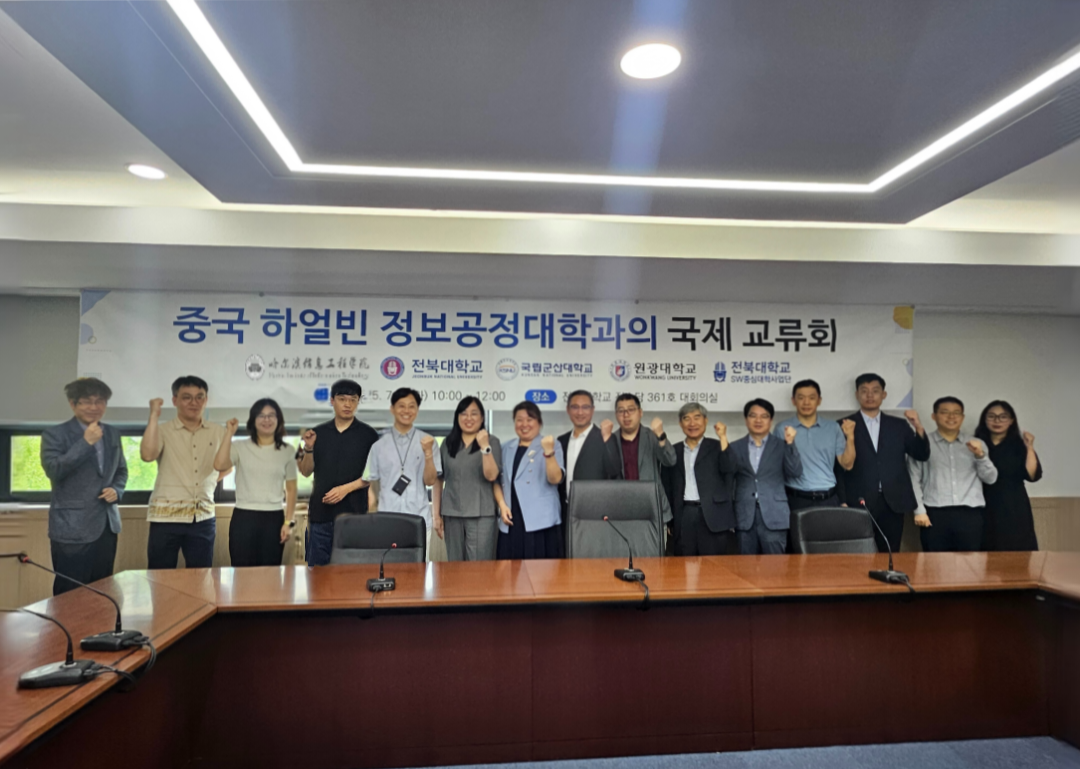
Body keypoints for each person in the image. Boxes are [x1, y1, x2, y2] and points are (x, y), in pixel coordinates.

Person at [40, 378, 127, 594]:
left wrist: (116, 490)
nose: (94, 407)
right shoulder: (54, 434)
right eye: (87, 401)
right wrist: (85, 443)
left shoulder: (112, 433)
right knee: (70, 593)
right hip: (72, 528)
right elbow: (54, 470)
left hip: (107, 526)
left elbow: (121, 471)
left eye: (100, 401)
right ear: (73, 404)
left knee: (103, 591)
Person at [837, 374, 930, 554]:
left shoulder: (899, 425)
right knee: (857, 553)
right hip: (858, 500)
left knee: (890, 552)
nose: (870, 395)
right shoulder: (844, 425)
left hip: (893, 501)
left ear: (884, 395)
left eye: (875, 391)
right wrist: (842, 500)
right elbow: (838, 469)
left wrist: (918, 426)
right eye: (864, 391)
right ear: (857, 395)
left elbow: (921, 454)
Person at [140, 375, 225, 569]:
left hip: (202, 517)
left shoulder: (218, 431)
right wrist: (153, 416)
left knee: (201, 576)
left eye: (199, 397)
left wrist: (208, 482)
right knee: (160, 576)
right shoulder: (163, 430)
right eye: (187, 397)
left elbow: (227, 465)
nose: (194, 402)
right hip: (165, 517)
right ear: (175, 400)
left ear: (206, 400)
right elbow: (147, 455)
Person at [298, 379, 379, 566]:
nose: (348, 404)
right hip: (320, 516)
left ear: (358, 402)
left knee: (351, 574)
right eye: (342, 399)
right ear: (332, 401)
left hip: (354, 516)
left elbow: (374, 473)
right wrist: (309, 448)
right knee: (317, 575)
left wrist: (345, 489)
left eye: (353, 400)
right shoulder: (317, 433)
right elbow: (305, 471)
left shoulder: (369, 435)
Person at [212, 398, 297, 567]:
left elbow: (291, 489)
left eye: (271, 415)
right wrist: (229, 433)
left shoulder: (287, 451)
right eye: (261, 415)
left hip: (273, 518)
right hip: (244, 517)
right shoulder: (240, 446)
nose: (267, 420)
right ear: (253, 420)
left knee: (270, 573)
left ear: (278, 419)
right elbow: (219, 465)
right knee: (241, 571)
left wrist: (288, 522)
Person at [908, 396, 998, 552]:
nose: (951, 417)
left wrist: (980, 456)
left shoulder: (977, 444)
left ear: (962, 417)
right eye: (945, 412)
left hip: (970, 513)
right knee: (934, 563)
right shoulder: (922, 444)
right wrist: (919, 511)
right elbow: (913, 479)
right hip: (934, 513)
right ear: (934, 416)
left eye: (956, 413)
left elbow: (990, 479)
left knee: (971, 564)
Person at [776, 380, 855, 546]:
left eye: (811, 398)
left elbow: (847, 464)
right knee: (797, 550)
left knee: (829, 549)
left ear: (819, 400)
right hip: (796, 499)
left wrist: (850, 437)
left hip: (828, 499)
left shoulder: (833, 427)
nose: (806, 402)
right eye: (801, 398)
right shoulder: (782, 428)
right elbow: (777, 467)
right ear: (793, 401)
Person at [367, 388, 442, 560]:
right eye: (401, 406)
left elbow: (431, 481)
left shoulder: (428, 441)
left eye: (411, 406)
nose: (406, 411)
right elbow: (371, 483)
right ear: (392, 409)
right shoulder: (378, 445)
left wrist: (428, 453)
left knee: (419, 570)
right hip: (387, 520)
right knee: (387, 568)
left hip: (418, 519)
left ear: (417, 410)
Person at [662, 402, 736, 556]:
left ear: (705, 421)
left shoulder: (718, 446)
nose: (692, 423)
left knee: (714, 566)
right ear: (680, 423)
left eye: (697, 417)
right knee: (683, 564)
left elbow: (730, 468)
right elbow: (667, 487)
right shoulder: (673, 451)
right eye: (686, 418)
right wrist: (670, 520)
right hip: (684, 514)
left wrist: (723, 437)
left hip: (713, 516)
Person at [729, 399, 802, 555]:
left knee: (775, 566)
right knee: (745, 566)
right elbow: (728, 480)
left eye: (764, 416)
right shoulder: (734, 447)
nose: (758, 420)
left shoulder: (782, 445)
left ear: (771, 420)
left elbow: (795, 472)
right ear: (746, 419)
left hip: (774, 515)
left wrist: (790, 444)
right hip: (744, 516)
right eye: (753, 416)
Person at [496, 401, 565, 560]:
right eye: (519, 420)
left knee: (542, 572)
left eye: (530, 419)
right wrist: (502, 505)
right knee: (509, 571)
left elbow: (555, 479)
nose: (524, 424)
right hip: (511, 519)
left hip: (541, 522)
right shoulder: (506, 447)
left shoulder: (552, 444)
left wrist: (548, 452)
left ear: (539, 422)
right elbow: (496, 481)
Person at [439, 396, 503, 561]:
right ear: (457, 417)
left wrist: (485, 447)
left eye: (474, 414)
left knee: (479, 566)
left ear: (482, 418)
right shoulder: (447, 443)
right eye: (464, 413)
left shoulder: (492, 442)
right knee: (454, 563)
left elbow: (492, 475)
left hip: (482, 513)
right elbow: (439, 479)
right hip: (451, 513)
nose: (469, 418)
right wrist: (436, 515)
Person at [975, 400, 1042, 551]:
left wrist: (1030, 447)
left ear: (1011, 420)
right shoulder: (976, 444)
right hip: (983, 504)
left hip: (1013, 505)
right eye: (991, 416)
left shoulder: (1019, 445)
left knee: (1017, 549)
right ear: (984, 420)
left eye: (1003, 416)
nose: (997, 421)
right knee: (985, 551)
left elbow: (1032, 476)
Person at [605, 393, 676, 534]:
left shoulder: (652, 436)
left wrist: (661, 436)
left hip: (651, 510)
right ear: (616, 415)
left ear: (640, 412)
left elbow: (670, 460)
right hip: (620, 512)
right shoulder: (610, 439)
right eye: (621, 411)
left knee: (654, 549)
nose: (626, 415)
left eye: (631, 410)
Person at [557, 390, 620, 548]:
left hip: (594, 513)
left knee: (591, 556)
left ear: (592, 410)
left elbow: (614, 470)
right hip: (566, 511)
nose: (580, 412)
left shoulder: (604, 436)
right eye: (575, 407)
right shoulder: (561, 441)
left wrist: (607, 439)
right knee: (566, 554)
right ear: (568, 410)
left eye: (585, 407)